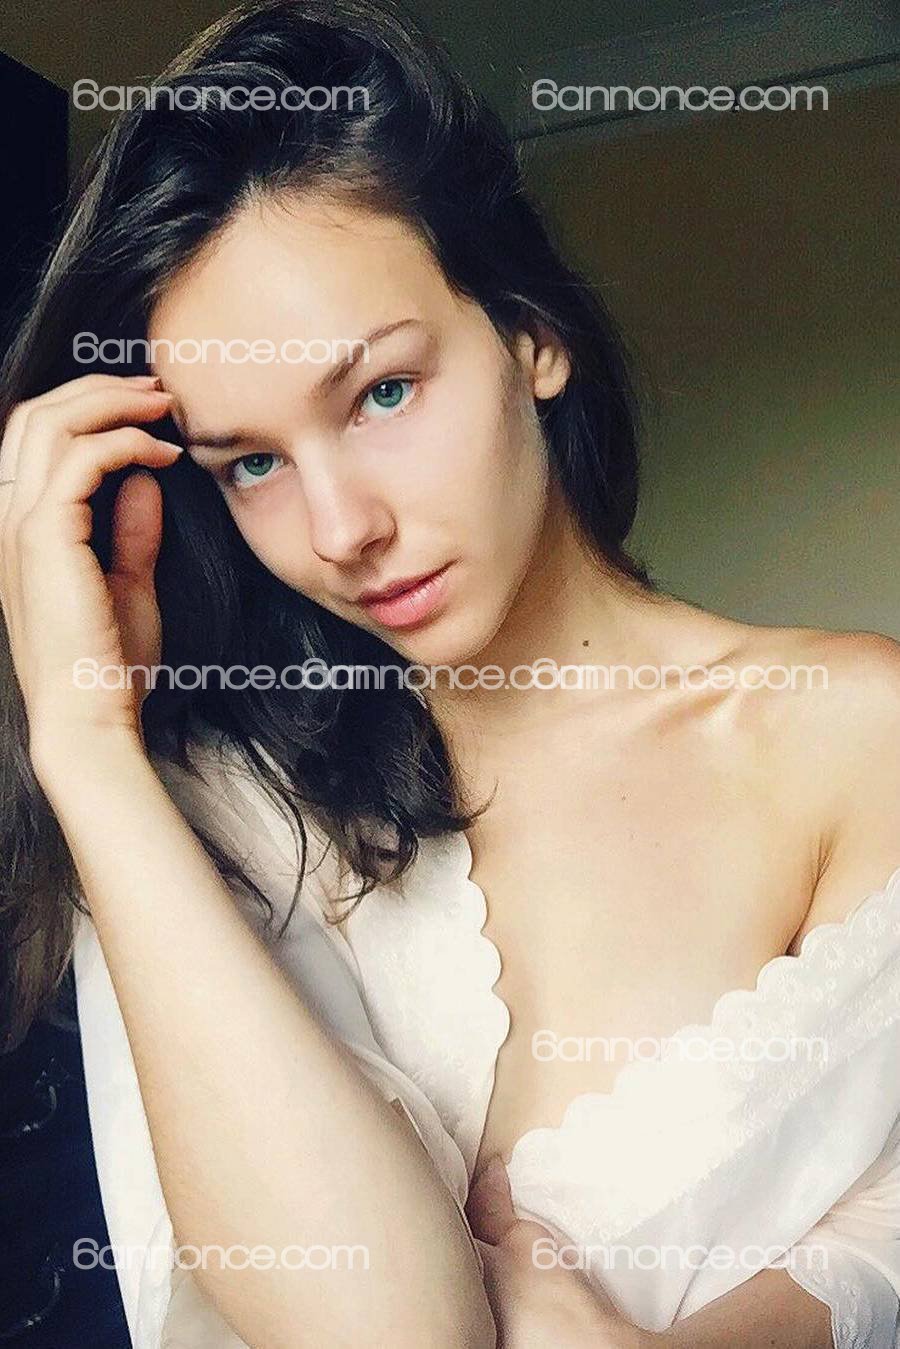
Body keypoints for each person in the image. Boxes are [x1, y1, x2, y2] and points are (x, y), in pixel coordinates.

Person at [1, 1, 898, 1346]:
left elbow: (880, 1226)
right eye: (253, 461)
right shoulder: (223, 801)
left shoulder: (850, 735)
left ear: (530, 334)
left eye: (381, 394)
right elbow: (388, 1327)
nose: (340, 528)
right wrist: (82, 749)